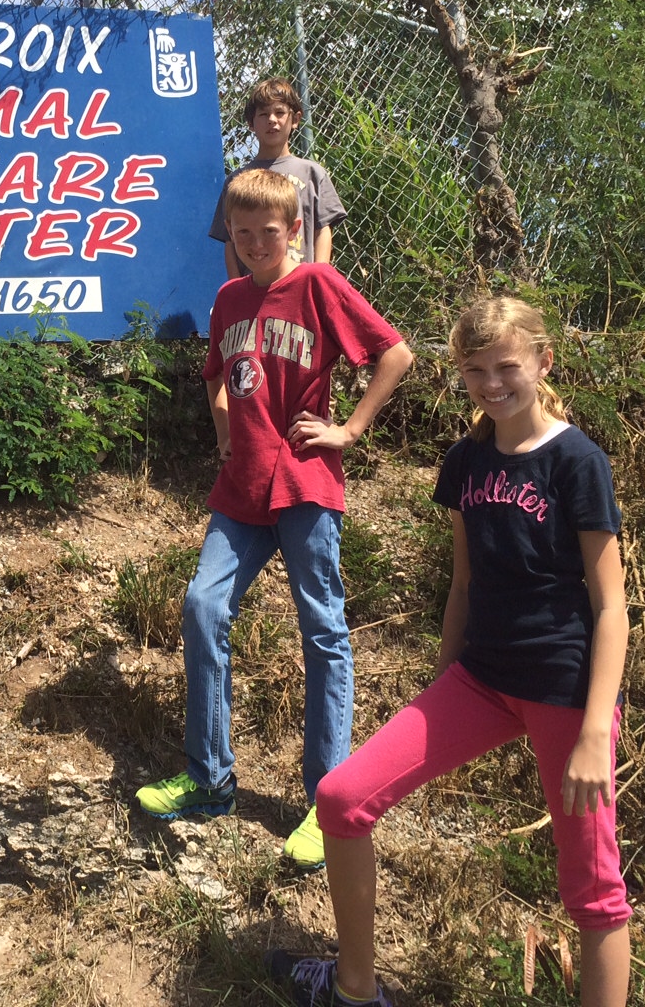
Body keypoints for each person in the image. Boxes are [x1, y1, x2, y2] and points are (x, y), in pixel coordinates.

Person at [269, 297, 631, 1007]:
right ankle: (355, 990)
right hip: (481, 680)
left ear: (543, 362)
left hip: (566, 688)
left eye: (506, 367)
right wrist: (441, 685)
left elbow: (611, 605)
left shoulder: (577, 461)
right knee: (341, 799)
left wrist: (595, 731)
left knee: (592, 890)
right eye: (475, 371)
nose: (492, 384)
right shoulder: (465, 460)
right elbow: (463, 584)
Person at [136, 168, 414, 867]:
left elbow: (396, 353)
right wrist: (225, 433)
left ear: (294, 230)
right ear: (229, 235)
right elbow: (216, 375)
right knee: (203, 607)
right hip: (241, 490)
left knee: (323, 632)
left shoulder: (317, 284)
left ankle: (329, 803)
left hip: (304, 483)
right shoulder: (229, 299)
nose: (256, 243)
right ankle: (209, 779)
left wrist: (348, 430)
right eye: (243, 232)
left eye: (269, 231)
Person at [208, 78, 346, 280]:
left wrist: (318, 277)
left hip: (301, 284)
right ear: (251, 123)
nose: (272, 120)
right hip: (255, 288)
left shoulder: (313, 173)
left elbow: (323, 230)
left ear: (295, 119)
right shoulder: (236, 180)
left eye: (279, 112)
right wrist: (237, 286)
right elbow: (230, 241)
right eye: (263, 114)